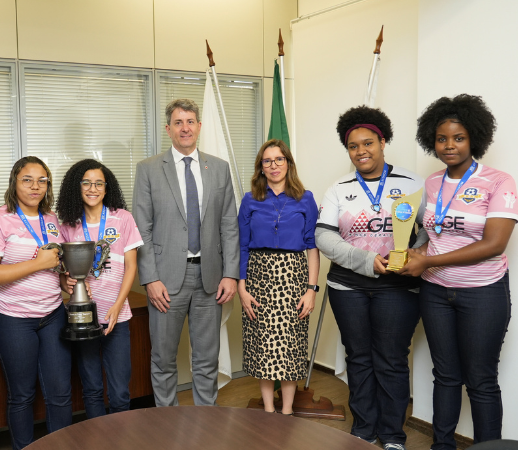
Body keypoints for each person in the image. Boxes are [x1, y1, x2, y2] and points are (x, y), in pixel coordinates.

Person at [399, 94, 518, 449]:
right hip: (435, 293)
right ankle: (442, 446)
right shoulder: (432, 183)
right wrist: (415, 253)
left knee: (480, 380)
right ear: (431, 140)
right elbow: (434, 236)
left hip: (483, 293)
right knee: (445, 376)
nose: (449, 145)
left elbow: (494, 243)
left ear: (475, 138)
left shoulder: (498, 181)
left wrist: (427, 262)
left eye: (459, 137)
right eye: (441, 138)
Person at [315, 106, 425, 450]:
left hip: (399, 287)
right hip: (348, 287)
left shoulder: (411, 183)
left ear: (383, 142)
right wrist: (365, 260)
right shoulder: (339, 187)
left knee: (391, 359)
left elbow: (430, 231)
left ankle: (393, 435)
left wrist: (414, 254)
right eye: (353, 146)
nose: (361, 151)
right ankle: (364, 428)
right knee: (358, 358)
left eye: (368, 143)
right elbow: (324, 237)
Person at [132, 98, 240, 407]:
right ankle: (166, 426)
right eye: (178, 122)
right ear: (168, 129)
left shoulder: (218, 168)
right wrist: (150, 278)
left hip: (210, 279)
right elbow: (142, 229)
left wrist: (231, 274)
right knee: (164, 360)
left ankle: (205, 423)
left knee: (207, 360)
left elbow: (229, 225)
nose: (185, 128)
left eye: (190, 121)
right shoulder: (149, 170)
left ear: (199, 126)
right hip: (165, 281)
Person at [0, 156, 71, 449]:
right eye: (27, 179)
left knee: (60, 393)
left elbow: (57, 263)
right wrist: (38, 262)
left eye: (42, 180)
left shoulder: (53, 220)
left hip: (53, 314)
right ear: (14, 182)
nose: (35, 186)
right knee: (22, 395)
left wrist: (64, 277)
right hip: (13, 319)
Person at [237, 139, 319, 415]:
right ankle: (269, 411)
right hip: (258, 277)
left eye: (279, 159)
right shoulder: (250, 200)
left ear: (288, 163)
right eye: (267, 161)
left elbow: (312, 247)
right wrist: (241, 287)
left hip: (293, 277)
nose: (273, 165)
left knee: (290, 345)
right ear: (260, 167)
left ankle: (287, 412)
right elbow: (242, 246)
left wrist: (311, 289)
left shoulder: (305, 199)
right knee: (264, 345)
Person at [56, 159, 143, 418]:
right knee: (91, 388)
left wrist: (118, 306)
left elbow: (131, 267)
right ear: (76, 186)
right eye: (86, 182)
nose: (92, 188)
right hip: (83, 319)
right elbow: (61, 273)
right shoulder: (68, 225)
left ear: (107, 188)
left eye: (99, 183)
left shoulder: (123, 218)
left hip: (117, 316)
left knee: (119, 392)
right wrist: (66, 284)